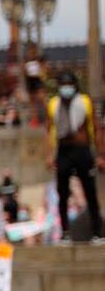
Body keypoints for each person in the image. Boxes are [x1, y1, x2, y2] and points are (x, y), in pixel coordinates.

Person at [45, 70, 103, 240]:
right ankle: (64, 232)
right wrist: (49, 155)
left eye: (69, 85)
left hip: (82, 150)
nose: (66, 88)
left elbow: (96, 128)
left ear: (75, 86)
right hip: (63, 151)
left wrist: (100, 155)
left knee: (90, 191)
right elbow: (48, 131)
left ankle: (97, 231)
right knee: (62, 192)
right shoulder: (54, 104)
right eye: (63, 85)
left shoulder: (84, 102)